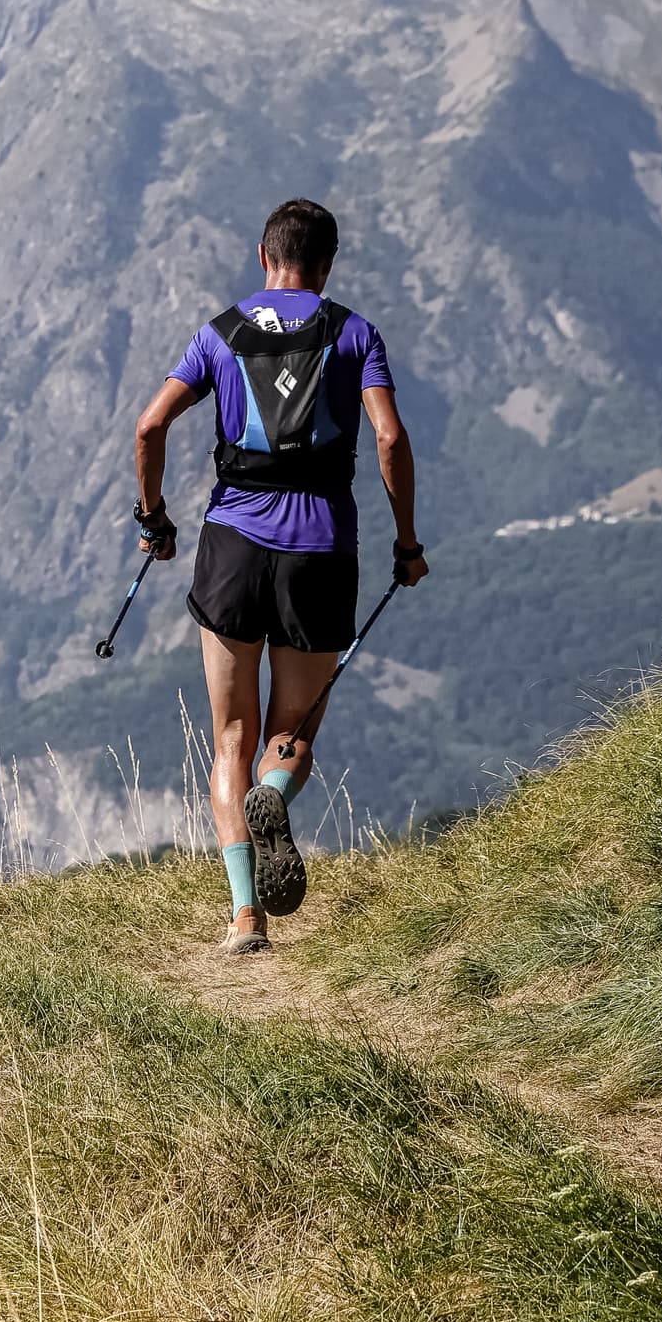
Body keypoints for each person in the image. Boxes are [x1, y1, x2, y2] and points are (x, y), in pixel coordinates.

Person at [126, 199, 427, 953]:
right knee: (290, 732)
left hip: (232, 547)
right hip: (320, 550)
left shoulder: (219, 334)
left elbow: (150, 425)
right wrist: (407, 541)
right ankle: (274, 791)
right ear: (326, 266)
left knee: (230, 735)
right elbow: (390, 438)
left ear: (264, 257)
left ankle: (245, 918)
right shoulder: (354, 333)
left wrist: (154, 518)